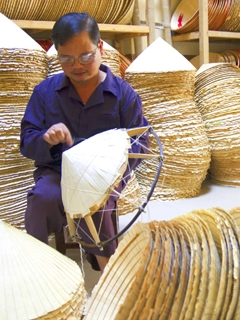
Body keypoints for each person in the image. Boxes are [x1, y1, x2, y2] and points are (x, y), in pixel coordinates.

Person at [20, 12, 149, 272]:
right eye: (66, 59)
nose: (76, 65)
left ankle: (107, 271)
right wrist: (46, 138)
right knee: (42, 199)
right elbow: (26, 140)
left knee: (94, 204)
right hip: (58, 172)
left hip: (105, 176)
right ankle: (38, 269)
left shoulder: (123, 94)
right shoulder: (45, 92)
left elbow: (141, 142)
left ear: (99, 47)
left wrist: (112, 177)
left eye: (85, 56)